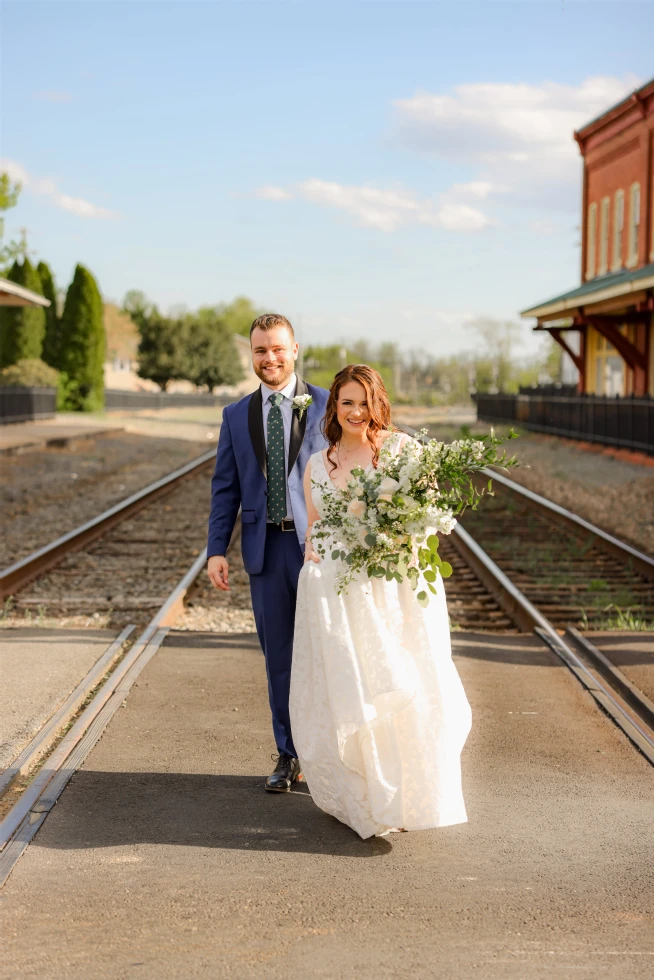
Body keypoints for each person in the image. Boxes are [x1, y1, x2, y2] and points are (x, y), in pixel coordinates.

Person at [289, 364, 472, 838]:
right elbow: (315, 530)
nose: (356, 411)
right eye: (346, 402)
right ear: (334, 407)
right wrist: (315, 551)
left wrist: (393, 537)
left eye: (364, 402)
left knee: (403, 684)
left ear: (378, 404)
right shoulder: (317, 464)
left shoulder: (402, 451)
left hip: (395, 596)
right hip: (342, 599)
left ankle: (410, 796)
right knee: (354, 690)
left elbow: (427, 519)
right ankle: (368, 797)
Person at [207, 314, 329, 792]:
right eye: (260, 351)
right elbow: (225, 488)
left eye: (277, 349)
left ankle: (332, 752)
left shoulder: (327, 405)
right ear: (252, 355)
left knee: (328, 653)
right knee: (278, 657)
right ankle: (289, 754)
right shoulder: (236, 416)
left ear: (295, 349)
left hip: (319, 550)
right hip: (265, 548)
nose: (269, 359)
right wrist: (217, 548)